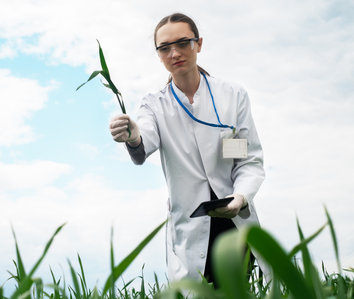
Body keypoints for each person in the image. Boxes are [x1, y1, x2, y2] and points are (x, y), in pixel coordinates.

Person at [109, 13, 265, 284]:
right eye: (164, 48)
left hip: (235, 218)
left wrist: (240, 198)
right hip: (192, 228)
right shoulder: (153, 104)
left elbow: (248, 161)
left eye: (183, 43)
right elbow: (143, 141)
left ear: (198, 44)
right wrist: (132, 136)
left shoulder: (233, 95)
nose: (174, 53)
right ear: (158, 55)